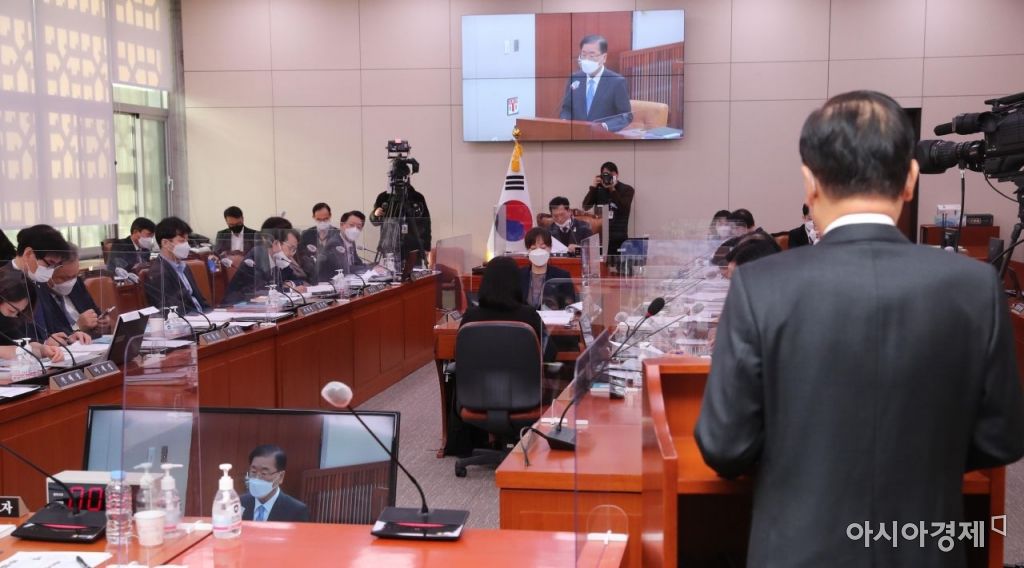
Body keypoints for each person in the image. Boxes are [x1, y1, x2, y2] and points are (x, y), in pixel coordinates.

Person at [695, 90, 1024, 566]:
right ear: (910, 180)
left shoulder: (759, 285)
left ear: (810, 183)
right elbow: (1002, 438)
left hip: (797, 551)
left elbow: (725, 446)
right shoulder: (975, 286)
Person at [0, 225, 72, 342]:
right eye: (50, 263)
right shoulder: (3, 282)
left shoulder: (38, 280)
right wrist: (44, 344)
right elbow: (9, 338)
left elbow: (56, 323)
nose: (51, 270)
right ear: (28, 254)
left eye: (55, 266)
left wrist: (70, 337)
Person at [558, 34, 632, 132]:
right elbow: (567, 108)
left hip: (603, 136)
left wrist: (605, 126)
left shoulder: (617, 81)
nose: (586, 60)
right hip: (577, 135)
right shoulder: (575, 78)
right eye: (583, 55)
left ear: (604, 57)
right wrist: (564, 121)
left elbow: (626, 116)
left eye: (592, 56)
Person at [34, 246, 106, 341]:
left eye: (75, 275)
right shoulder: (38, 297)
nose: (70, 282)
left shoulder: (76, 283)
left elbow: (95, 312)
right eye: (64, 278)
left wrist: (102, 323)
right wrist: (77, 327)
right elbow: (48, 337)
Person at [144, 216, 211, 314]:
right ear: (165, 243)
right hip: (187, 319)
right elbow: (171, 310)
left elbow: (200, 300)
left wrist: (212, 314)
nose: (187, 245)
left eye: (187, 240)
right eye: (182, 241)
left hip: (203, 317)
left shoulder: (184, 267)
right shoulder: (158, 273)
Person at [222, 226, 302, 305]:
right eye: (291, 248)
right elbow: (259, 290)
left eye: (294, 250)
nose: (292, 254)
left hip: (266, 305)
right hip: (237, 305)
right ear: (276, 244)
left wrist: (291, 284)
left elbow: (299, 280)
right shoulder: (256, 256)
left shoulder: (280, 260)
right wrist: (290, 290)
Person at [0, 269, 63, 363]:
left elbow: (22, 342)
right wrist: (25, 351)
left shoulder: (8, 319)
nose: (14, 316)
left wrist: (44, 350)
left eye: (19, 312)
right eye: (11, 310)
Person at [240, 445, 310, 523]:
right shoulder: (239, 503)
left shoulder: (296, 510)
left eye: (264, 473)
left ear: (280, 477)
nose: (257, 478)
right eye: (253, 472)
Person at [370, 184, 432, 268]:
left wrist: (426, 247)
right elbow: (375, 222)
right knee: (390, 273)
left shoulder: (417, 197)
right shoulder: (384, 197)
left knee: (413, 273)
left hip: (413, 247)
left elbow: (426, 223)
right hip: (390, 246)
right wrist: (375, 214)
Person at [582, 161, 635, 255]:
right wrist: (593, 187)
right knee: (600, 263)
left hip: (619, 236)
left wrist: (612, 189)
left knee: (617, 263)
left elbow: (624, 208)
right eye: (605, 175)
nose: (608, 177)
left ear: (617, 175)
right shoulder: (598, 189)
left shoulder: (627, 189)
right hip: (600, 236)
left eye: (611, 174)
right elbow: (586, 206)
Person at [519, 228, 576, 311]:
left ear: (550, 248)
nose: (538, 252)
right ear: (528, 250)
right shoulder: (518, 275)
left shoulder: (562, 275)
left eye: (543, 248)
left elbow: (569, 306)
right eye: (533, 248)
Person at [298, 202, 340, 283]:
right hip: (312, 278)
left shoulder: (338, 234)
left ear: (330, 216)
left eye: (325, 219)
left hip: (334, 277)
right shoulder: (306, 234)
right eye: (319, 219)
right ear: (313, 217)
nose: (322, 222)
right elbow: (302, 258)